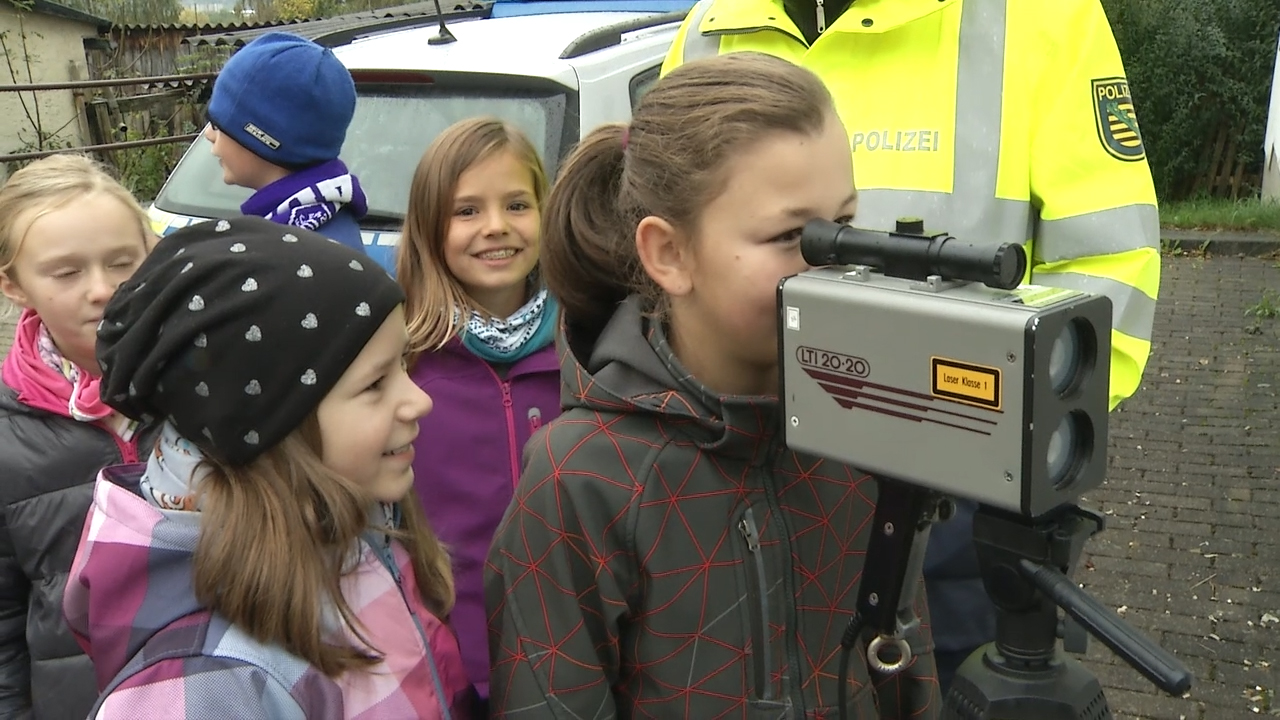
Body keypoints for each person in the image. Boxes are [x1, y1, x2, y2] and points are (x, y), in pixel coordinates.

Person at [661, 0, 1162, 689]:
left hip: (959, 493)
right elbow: (662, 228)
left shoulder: (1039, 16)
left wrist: (1016, 445)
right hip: (746, 474)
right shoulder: (711, 23)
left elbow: (1109, 272)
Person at [485, 51, 939, 718]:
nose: (836, 266)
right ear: (669, 253)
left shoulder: (863, 432)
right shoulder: (579, 480)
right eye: (795, 235)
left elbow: (905, 665)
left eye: (844, 226)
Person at [63, 216, 475, 719]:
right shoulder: (209, 683)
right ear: (264, 426)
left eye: (403, 365)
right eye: (374, 384)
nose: (420, 401)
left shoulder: (357, 522)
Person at [396, 117, 560, 715]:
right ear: (429, 228)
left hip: (574, 663)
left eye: (517, 204)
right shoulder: (401, 367)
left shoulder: (588, 352)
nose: (496, 226)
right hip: (451, 672)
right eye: (466, 211)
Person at [0, 153, 159, 719]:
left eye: (123, 262)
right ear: (13, 285)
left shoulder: (215, 383)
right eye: (66, 273)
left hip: (231, 688)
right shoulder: (8, 437)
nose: (103, 289)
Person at [204, 32, 369, 252]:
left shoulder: (295, 252)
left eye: (217, 124)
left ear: (262, 138)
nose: (208, 134)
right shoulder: (310, 222)